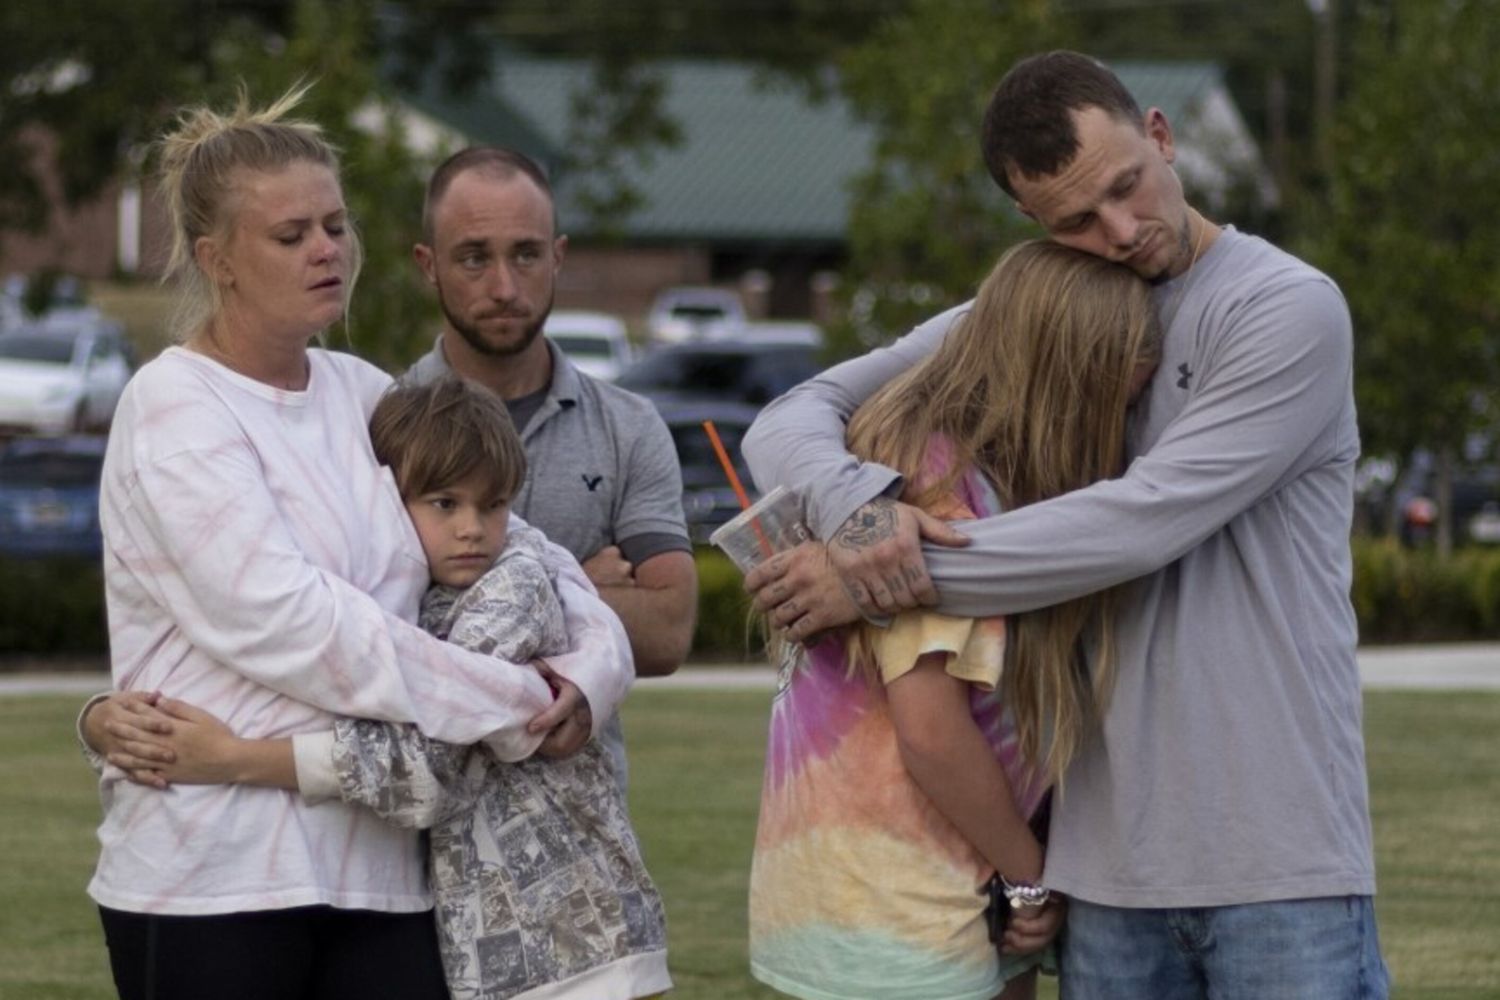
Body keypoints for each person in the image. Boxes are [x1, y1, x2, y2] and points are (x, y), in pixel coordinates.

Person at [742, 51, 1388, 999]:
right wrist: (865, 520)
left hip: (1278, 860)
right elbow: (792, 414)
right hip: (1099, 866)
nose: (1122, 232)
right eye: (1077, 220)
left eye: (1129, 186)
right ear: (1030, 222)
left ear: (1161, 136)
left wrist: (874, 578)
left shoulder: (1283, 307)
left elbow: (1141, 521)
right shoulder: (1042, 310)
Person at [85, 85, 630, 1000]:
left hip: (384, 874)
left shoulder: (365, 391)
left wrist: (587, 677)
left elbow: (525, 550)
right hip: (213, 872)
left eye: (336, 226)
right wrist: (507, 700)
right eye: (291, 235)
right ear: (216, 259)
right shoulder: (172, 406)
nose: (328, 250)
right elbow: (290, 622)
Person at [119, 377, 672, 1000]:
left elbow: (431, 768)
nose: (472, 528)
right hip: (521, 945)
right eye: (444, 503)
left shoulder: (508, 592)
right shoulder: (427, 595)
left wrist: (234, 760)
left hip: (574, 944)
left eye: (491, 505)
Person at [749, 239, 1161, 1000]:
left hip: (956, 882)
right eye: (1116, 390)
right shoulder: (928, 474)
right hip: (897, 907)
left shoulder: (989, 476)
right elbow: (932, 733)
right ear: (1061, 373)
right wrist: (1032, 879)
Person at [404, 146, 697, 788]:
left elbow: (670, 632)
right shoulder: (383, 420)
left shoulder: (627, 426)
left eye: (527, 255)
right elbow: (372, 626)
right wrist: (579, 587)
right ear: (429, 265)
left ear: (558, 256)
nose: (504, 287)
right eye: (475, 257)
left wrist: (461, 594)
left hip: (579, 826)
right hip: (412, 832)